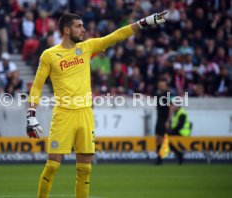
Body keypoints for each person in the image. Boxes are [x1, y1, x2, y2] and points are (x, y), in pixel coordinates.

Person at [26, 12, 168, 198]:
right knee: (52, 165)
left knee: (85, 170)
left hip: (85, 115)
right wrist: (30, 115)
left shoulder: (87, 47)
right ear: (67, 30)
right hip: (63, 115)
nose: (83, 30)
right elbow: (37, 85)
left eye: (83, 26)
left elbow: (116, 35)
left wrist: (145, 22)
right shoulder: (49, 55)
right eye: (79, 26)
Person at [154, 78, 172, 165]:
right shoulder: (158, 94)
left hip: (164, 119)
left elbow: (171, 107)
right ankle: (159, 157)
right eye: (160, 85)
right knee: (157, 138)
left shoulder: (168, 94)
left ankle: (159, 159)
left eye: (163, 85)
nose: (161, 86)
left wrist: (168, 120)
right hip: (159, 118)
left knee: (161, 139)